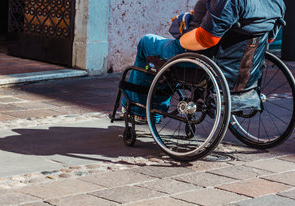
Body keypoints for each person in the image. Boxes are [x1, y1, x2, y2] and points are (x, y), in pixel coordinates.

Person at [122, 0, 286, 122]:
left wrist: (182, 38)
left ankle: (140, 112)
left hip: (204, 59)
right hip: (241, 67)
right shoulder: (276, 3)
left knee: (147, 43)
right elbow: (269, 39)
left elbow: (207, 39)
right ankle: (154, 102)